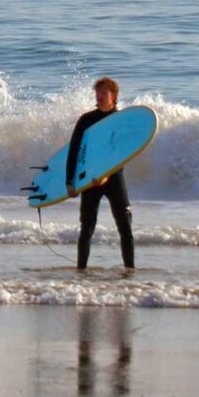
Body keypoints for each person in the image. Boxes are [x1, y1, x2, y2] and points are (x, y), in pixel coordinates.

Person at [65, 77, 135, 270]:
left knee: (125, 228)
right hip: (90, 180)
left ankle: (129, 271)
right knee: (86, 229)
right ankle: (81, 271)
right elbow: (74, 152)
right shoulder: (86, 120)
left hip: (114, 178)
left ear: (114, 96)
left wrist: (107, 175)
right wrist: (70, 182)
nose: (100, 95)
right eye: (98, 92)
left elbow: (122, 153)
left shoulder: (120, 121)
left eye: (104, 92)